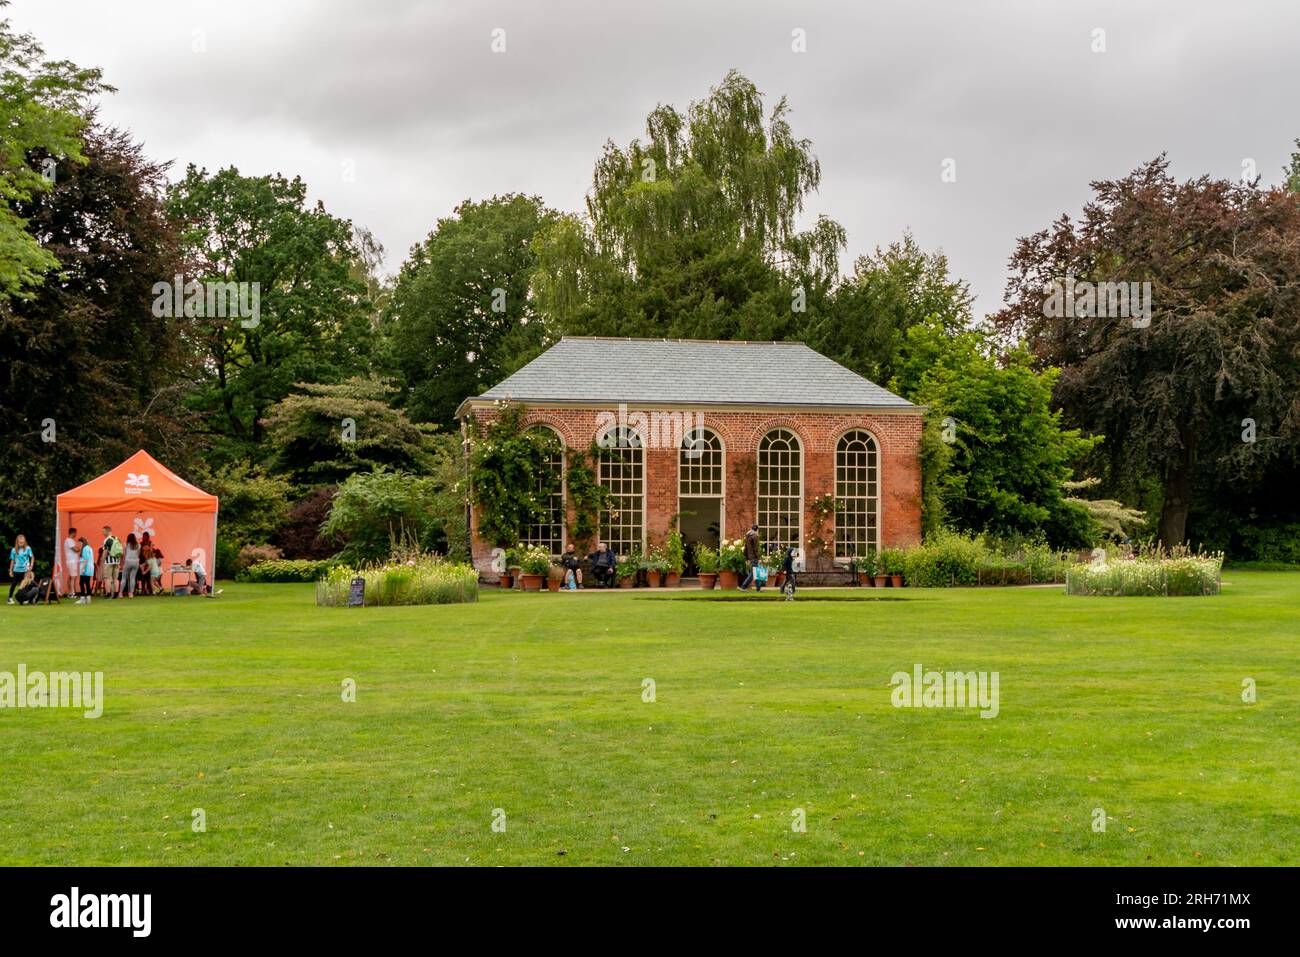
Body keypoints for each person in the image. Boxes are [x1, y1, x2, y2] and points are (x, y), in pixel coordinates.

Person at [7, 534, 34, 604]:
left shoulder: (28, 548)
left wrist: (31, 565)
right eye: (20, 543)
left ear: (24, 542)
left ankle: (25, 598)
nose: (21, 544)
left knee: (25, 584)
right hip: (16, 570)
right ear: (17, 542)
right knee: (14, 583)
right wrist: (10, 571)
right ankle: (9, 598)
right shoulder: (13, 550)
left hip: (25, 570)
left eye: (22, 542)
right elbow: (12, 561)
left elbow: (32, 557)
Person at [739, 524, 763, 591]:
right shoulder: (755, 536)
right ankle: (743, 586)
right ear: (757, 529)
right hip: (754, 557)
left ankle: (758, 588)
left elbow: (746, 548)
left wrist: (746, 558)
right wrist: (759, 558)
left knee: (756, 572)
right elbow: (756, 549)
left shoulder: (748, 536)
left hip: (750, 557)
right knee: (753, 573)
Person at [100, 525, 122, 599]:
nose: (103, 533)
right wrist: (120, 562)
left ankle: (108, 593)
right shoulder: (117, 538)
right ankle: (115, 594)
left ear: (107, 531)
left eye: (103, 531)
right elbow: (121, 551)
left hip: (108, 561)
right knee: (115, 578)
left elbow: (105, 551)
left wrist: (102, 561)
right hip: (117, 561)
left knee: (107, 578)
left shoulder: (107, 540)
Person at [120, 533, 141, 598]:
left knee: (124, 578)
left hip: (128, 561)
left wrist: (122, 564)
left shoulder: (126, 545)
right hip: (136, 562)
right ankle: (131, 593)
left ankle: (121, 593)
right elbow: (138, 554)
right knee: (133, 578)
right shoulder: (139, 545)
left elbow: (123, 555)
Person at [77, 536, 94, 604]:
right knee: (87, 583)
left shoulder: (85, 548)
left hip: (85, 568)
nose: (79, 544)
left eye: (79, 543)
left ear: (82, 542)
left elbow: (86, 559)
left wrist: (83, 568)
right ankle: (88, 598)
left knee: (81, 583)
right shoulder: (89, 548)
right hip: (89, 568)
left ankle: (83, 598)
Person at [63, 527, 79, 596]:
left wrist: (77, 548)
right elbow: (75, 549)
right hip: (72, 561)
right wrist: (78, 548)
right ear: (73, 533)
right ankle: (72, 593)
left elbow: (76, 548)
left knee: (71, 577)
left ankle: (70, 592)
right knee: (73, 577)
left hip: (71, 561)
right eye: (75, 533)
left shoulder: (70, 540)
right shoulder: (69, 540)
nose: (76, 535)